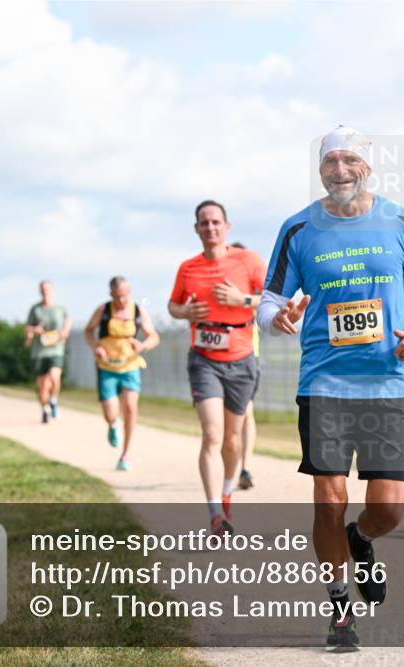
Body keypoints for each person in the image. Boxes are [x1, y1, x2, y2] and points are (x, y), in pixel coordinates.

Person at [257, 126, 404, 652]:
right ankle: (340, 608)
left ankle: (362, 541)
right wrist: (278, 319)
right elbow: (269, 300)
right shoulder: (298, 229)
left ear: (368, 167)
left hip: (390, 382)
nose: (339, 170)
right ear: (320, 170)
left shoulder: (402, 222)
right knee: (328, 500)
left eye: (348, 161)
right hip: (325, 383)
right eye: (330, 162)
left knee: (387, 510)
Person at [168, 202, 266, 535]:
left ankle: (226, 491)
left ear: (227, 226)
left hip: (240, 357)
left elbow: (273, 299)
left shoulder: (248, 261)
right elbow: (173, 304)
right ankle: (214, 514)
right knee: (212, 434)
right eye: (204, 223)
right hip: (203, 358)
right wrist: (185, 314)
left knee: (232, 439)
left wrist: (242, 301)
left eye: (216, 222)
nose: (210, 228)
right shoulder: (187, 268)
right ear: (196, 228)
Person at [84, 276, 160, 471]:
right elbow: (88, 331)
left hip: (130, 366)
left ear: (130, 292)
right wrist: (96, 347)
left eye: (125, 295)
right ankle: (112, 425)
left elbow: (154, 336)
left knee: (130, 407)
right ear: (111, 294)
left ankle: (125, 454)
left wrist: (142, 345)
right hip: (107, 367)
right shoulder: (103, 310)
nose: (122, 301)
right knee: (111, 413)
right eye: (118, 297)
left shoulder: (138, 311)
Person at [231, 241, 259, 491]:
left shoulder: (251, 285)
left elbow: (273, 300)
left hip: (248, 355)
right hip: (214, 360)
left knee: (246, 413)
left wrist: (243, 299)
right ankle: (228, 464)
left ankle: (245, 467)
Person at [25, 280, 72, 423]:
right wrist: (34, 330)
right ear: (40, 291)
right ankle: (44, 409)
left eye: (48, 289)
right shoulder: (35, 309)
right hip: (39, 351)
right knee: (43, 385)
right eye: (43, 289)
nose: (45, 292)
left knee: (54, 377)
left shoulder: (60, 308)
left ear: (52, 290)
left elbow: (68, 320)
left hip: (56, 350)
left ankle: (53, 400)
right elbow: (27, 328)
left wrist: (65, 331)